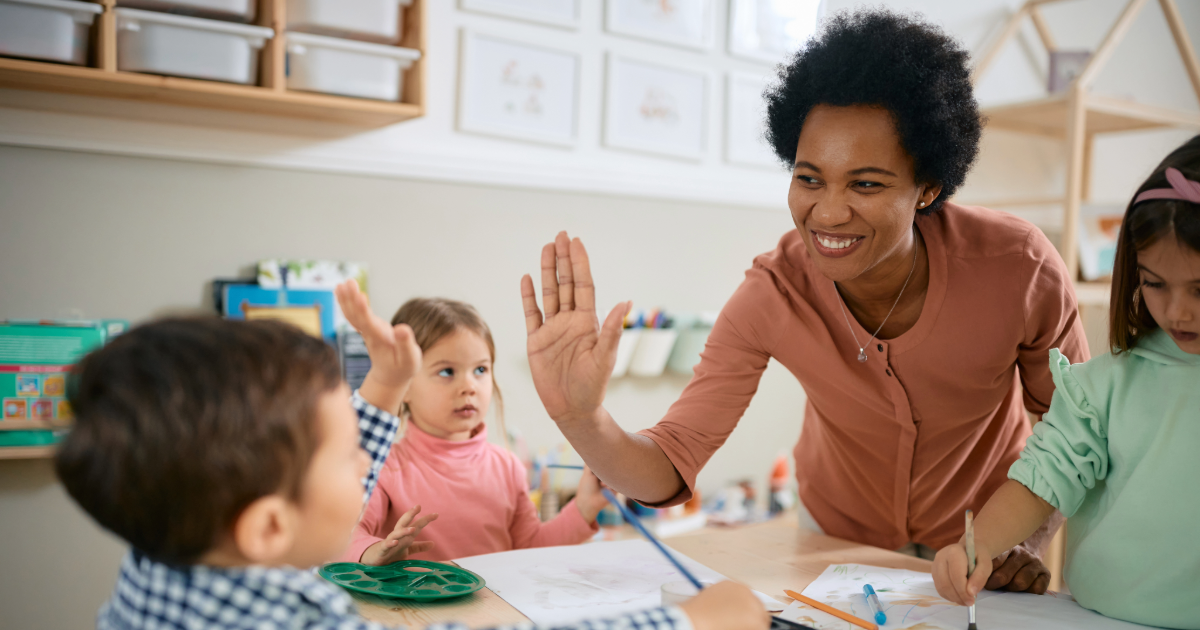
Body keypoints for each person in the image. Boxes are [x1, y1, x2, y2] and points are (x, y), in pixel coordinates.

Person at [520, 8, 1089, 593]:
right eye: (809, 178)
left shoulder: (1018, 268)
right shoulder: (774, 292)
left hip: (983, 539)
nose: (829, 211)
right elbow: (668, 465)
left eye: (866, 184)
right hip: (837, 538)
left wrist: (1020, 539)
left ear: (928, 187)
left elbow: (1075, 430)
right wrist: (581, 417)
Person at [56, 280, 768, 630]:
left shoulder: (159, 556)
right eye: (349, 456)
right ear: (269, 528)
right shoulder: (309, 621)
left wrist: (383, 385)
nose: (369, 457)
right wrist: (692, 622)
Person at [932, 138, 1200, 629]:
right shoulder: (1103, 387)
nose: (1178, 311)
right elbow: (1040, 482)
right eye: (1155, 283)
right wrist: (977, 547)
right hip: (1098, 619)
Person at [341, 297, 607, 564]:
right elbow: (348, 534)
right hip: (417, 608)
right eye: (447, 372)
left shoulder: (508, 467)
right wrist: (374, 551)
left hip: (498, 606)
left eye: (480, 369)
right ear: (404, 385)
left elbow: (529, 550)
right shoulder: (383, 467)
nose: (469, 386)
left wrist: (584, 508)